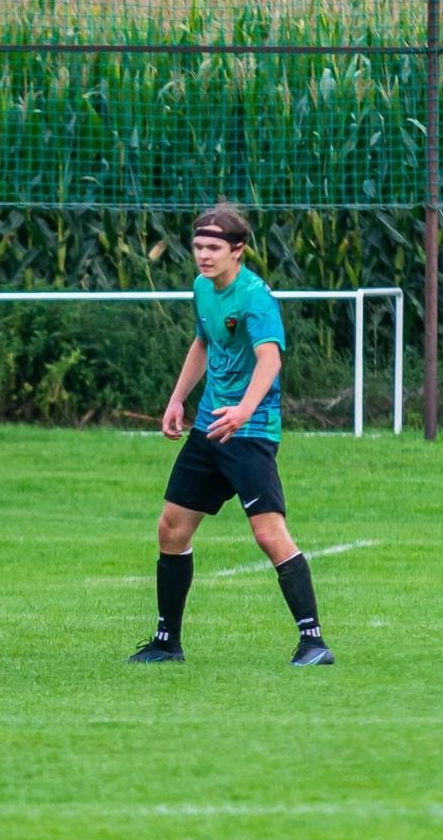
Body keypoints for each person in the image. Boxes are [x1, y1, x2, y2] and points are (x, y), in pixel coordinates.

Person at [128, 205, 334, 666]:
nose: (203, 255)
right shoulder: (202, 288)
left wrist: (243, 411)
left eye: (213, 248)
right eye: (198, 246)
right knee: (171, 528)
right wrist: (177, 399)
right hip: (208, 429)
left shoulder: (255, 298)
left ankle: (314, 642)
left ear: (237, 250)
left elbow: (270, 360)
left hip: (250, 432)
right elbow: (203, 343)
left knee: (268, 532)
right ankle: (167, 643)